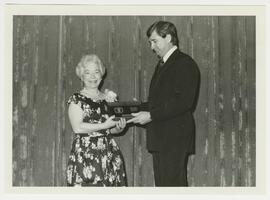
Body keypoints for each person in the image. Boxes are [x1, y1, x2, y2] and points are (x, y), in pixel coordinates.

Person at [128, 21, 200, 186]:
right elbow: (160, 103)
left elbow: (183, 102)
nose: (152, 47)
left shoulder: (184, 63)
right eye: (150, 42)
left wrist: (151, 114)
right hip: (163, 137)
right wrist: (135, 108)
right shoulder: (163, 64)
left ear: (168, 37)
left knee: (172, 186)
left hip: (174, 137)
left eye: (154, 41)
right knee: (164, 186)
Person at [66, 54, 127, 186]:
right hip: (86, 155)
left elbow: (110, 130)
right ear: (81, 76)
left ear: (102, 75)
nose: (92, 77)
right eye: (87, 73)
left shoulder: (109, 99)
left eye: (96, 72)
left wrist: (119, 127)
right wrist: (104, 125)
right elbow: (78, 127)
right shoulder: (76, 99)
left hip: (109, 154)